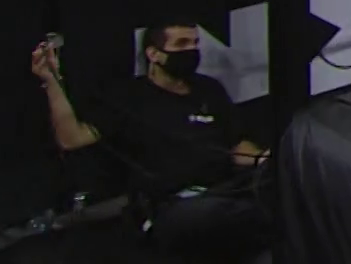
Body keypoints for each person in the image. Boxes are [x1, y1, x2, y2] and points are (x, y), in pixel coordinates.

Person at [31, 23, 271, 262]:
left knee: (272, 199)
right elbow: (72, 138)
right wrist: (51, 81)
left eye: (195, 43)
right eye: (181, 44)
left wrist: (265, 161)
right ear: (154, 54)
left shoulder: (209, 89)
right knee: (237, 215)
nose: (192, 50)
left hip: (227, 190)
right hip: (172, 205)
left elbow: (237, 145)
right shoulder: (129, 97)